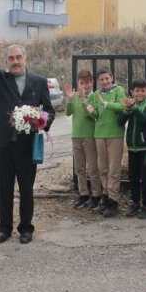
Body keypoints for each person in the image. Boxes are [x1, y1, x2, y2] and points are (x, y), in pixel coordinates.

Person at [0, 31, 54, 244]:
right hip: (2, 143)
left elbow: (50, 111)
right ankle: (4, 228)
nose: (15, 62)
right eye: (11, 58)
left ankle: (26, 228)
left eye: (19, 58)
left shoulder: (39, 81)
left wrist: (42, 121)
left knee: (26, 188)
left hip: (27, 144)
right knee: (4, 187)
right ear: (6, 61)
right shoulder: (0, 78)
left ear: (25, 59)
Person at [87, 68, 126, 218]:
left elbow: (122, 106)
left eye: (107, 78)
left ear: (112, 77)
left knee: (113, 169)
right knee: (102, 169)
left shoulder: (119, 90)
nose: (104, 82)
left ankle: (113, 200)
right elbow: (96, 114)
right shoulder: (97, 94)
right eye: (101, 79)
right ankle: (106, 197)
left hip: (115, 135)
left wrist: (105, 104)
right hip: (99, 135)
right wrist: (91, 110)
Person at [63, 70, 102, 209]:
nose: (84, 85)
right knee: (79, 169)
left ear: (92, 82)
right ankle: (83, 194)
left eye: (87, 82)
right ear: (78, 83)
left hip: (90, 136)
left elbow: (93, 116)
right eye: (81, 83)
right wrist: (69, 99)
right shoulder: (74, 96)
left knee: (93, 168)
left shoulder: (94, 97)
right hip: (76, 136)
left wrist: (84, 100)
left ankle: (97, 195)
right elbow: (68, 113)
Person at [118, 79, 146, 219]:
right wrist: (127, 110)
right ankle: (135, 203)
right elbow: (120, 121)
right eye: (137, 91)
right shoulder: (130, 106)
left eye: (142, 90)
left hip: (145, 147)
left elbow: (144, 120)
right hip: (132, 148)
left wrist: (133, 108)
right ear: (132, 92)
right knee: (133, 176)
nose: (139, 93)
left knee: (145, 177)